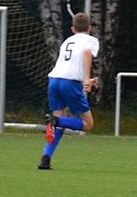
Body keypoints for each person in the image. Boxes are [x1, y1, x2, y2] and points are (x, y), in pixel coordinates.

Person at [38, 12, 99, 170]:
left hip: (54, 80)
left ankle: (45, 158)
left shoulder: (67, 41)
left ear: (72, 29)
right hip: (69, 83)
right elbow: (87, 53)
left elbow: (70, 65)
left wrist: (85, 78)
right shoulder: (90, 40)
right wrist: (87, 79)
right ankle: (55, 121)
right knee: (88, 124)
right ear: (89, 28)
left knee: (59, 124)